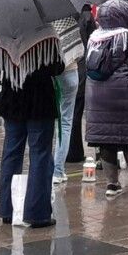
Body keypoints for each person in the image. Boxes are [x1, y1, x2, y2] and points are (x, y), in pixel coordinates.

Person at [84, 0, 128, 198]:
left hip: (97, 95)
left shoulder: (94, 37)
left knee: (106, 140)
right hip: (123, 94)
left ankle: (112, 185)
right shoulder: (125, 35)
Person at [0, 35, 63, 228]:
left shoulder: (2, 35)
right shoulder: (46, 34)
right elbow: (57, 67)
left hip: (12, 99)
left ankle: (7, 209)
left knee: (11, 153)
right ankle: (37, 213)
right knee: (40, 155)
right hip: (39, 101)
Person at [51, 13, 86, 185]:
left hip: (50, 76)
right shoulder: (68, 20)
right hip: (70, 73)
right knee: (65, 123)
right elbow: (79, 52)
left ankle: (49, 168)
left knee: (48, 123)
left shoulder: (45, 24)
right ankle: (58, 171)